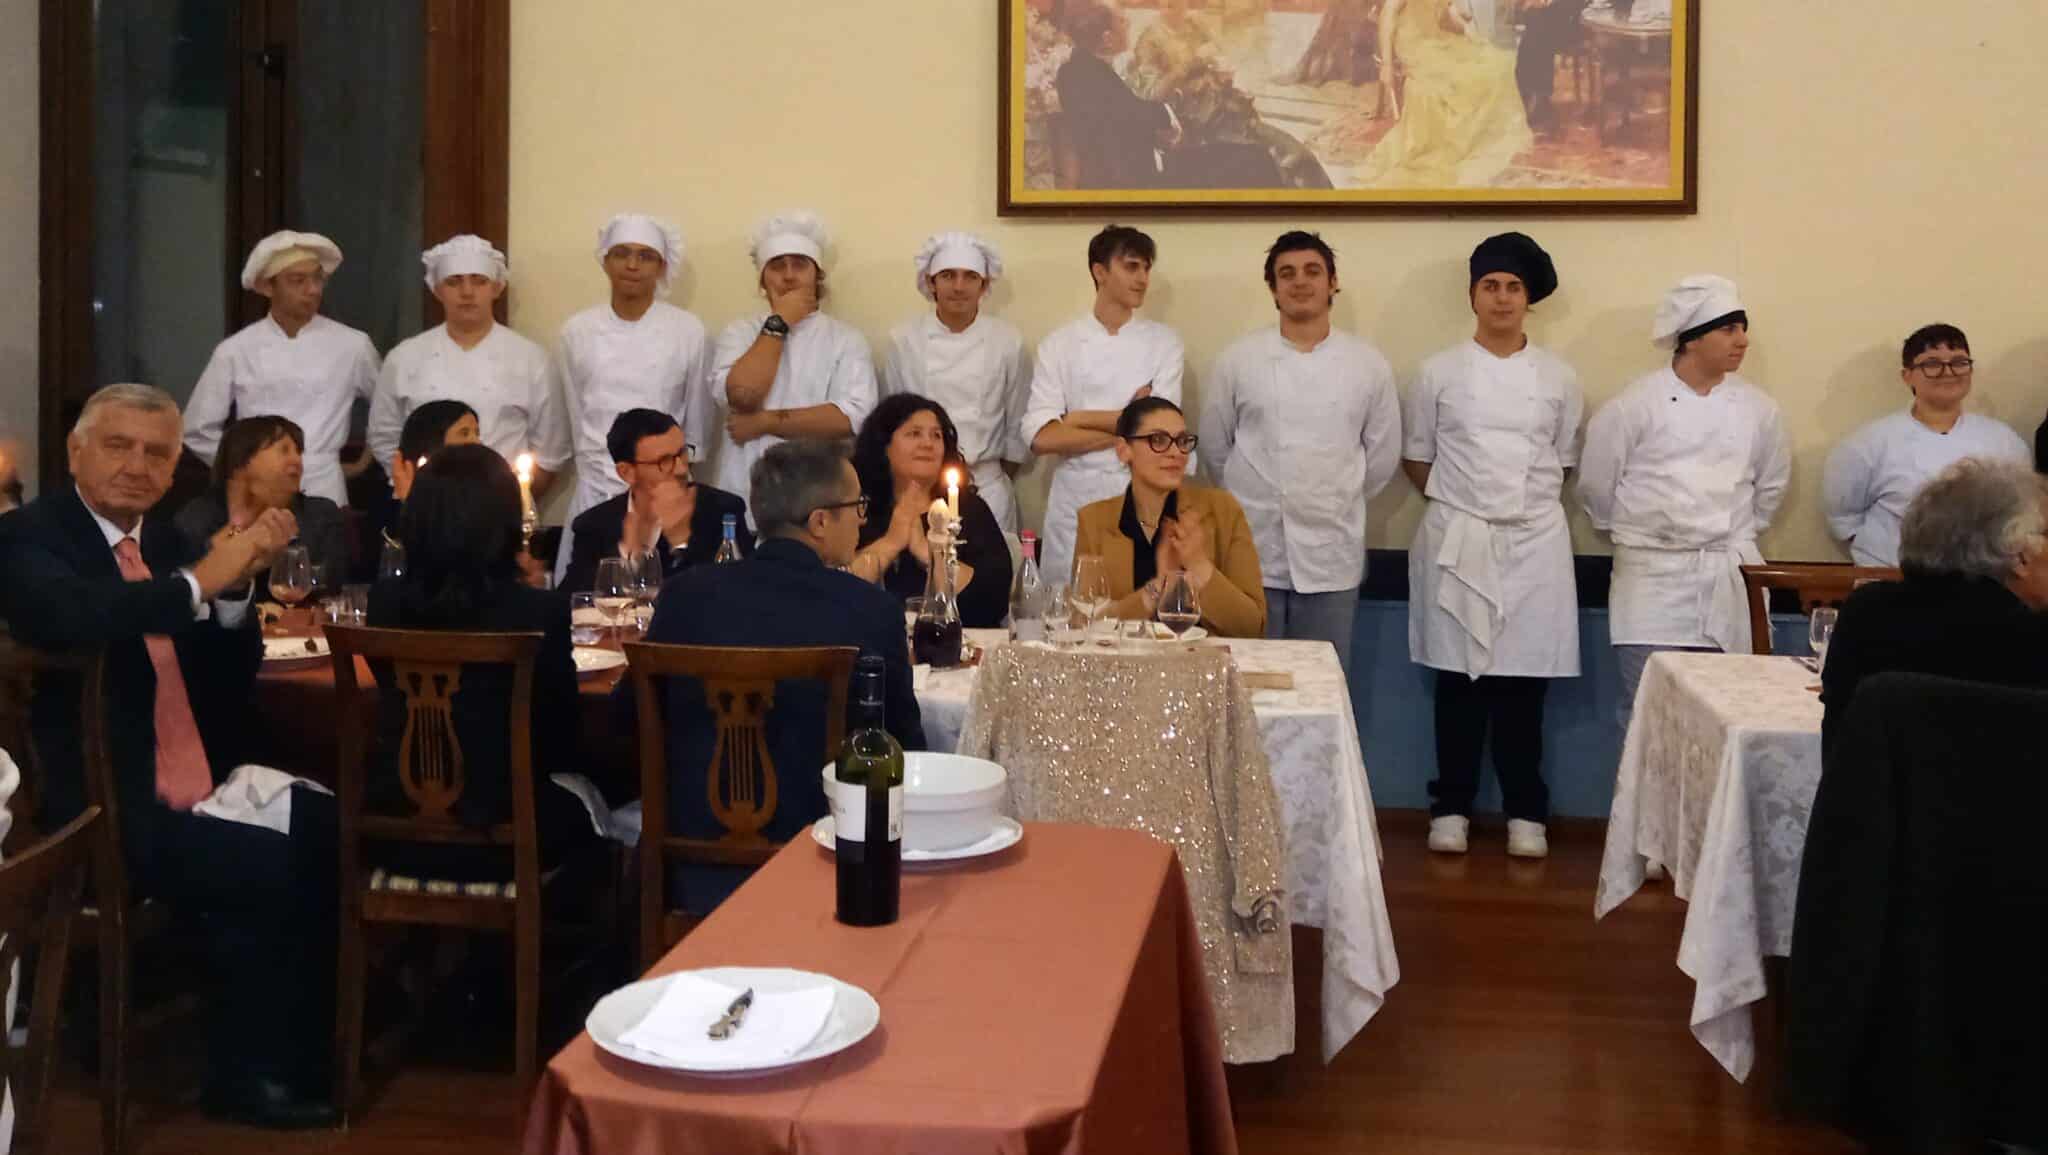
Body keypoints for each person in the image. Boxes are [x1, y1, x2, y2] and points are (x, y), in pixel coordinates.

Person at [0, 384, 338, 1127]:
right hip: (94, 808)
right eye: (118, 446)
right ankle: (247, 1076)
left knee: (328, 828)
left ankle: (306, 1053)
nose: (137, 466)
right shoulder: (31, 536)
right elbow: (76, 614)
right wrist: (198, 582)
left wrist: (233, 592)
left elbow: (224, 677)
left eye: (157, 453)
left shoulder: (164, 540)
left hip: (189, 775)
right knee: (267, 862)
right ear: (76, 451)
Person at [639, 439, 923, 914]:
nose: (862, 520)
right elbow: (904, 748)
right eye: (857, 507)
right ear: (819, 521)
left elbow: (634, 721)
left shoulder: (683, 596)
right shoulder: (869, 609)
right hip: (826, 859)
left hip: (690, 863)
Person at [1402, 233, 1582, 858]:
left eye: (1513, 287)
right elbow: (1417, 455)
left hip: (1534, 542)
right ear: (1472, 296)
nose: (1502, 298)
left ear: (1528, 299)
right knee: (1458, 681)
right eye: (1490, 286)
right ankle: (1450, 806)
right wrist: (1464, 507)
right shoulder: (1437, 371)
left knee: (1523, 685)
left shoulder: (1559, 377)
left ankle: (1526, 811)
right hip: (1458, 537)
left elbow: (1563, 461)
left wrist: (1518, 512)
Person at [365, 444, 600, 878]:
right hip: (509, 834)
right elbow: (561, 737)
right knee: (600, 813)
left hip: (397, 827)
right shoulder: (537, 611)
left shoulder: (383, 604)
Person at [1578, 275, 1792, 742]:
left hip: (1729, 576)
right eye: (1729, 329)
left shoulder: (1759, 410)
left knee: (1733, 717)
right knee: (1650, 719)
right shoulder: (1632, 406)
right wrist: (1648, 534)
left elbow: (1771, 486)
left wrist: (1731, 536)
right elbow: (1596, 487)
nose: (1743, 340)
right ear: (1692, 339)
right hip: (1651, 581)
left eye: (1743, 328)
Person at [1201, 230, 1399, 673]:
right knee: (1247, 682)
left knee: (1322, 680)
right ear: (1273, 288)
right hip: (1252, 547)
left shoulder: (1368, 364)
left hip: (1332, 549)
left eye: (1313, 271)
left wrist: (1332, 494)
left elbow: (1382, 457)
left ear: (1332, 283)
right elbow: (1215, 447)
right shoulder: (1238, 360)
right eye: (1286, 273)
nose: (1300, 281)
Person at [1820, 457, 2048, 757]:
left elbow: (1839, 750)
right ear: (2021, 556)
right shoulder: (2033, 637)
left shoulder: (1864, 614)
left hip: (1875, 788)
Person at [552, 214, 713, 584]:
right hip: (595, 487)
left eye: (645, 256)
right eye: (622, 253)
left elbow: (697, 425)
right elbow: (575, 413)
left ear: (661, 266)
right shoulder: (577, 331)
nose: (632, 265)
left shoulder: (688, 331)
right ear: (605, 260)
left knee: (665, 593)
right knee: (587, 594)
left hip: (666, 492)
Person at [1023, 224, 1186, 584]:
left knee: (1139, 600)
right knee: (1070, 603)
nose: (1142, 278)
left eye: (1146, 268)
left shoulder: (1164, 344)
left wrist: (1077, 418)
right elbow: (1041, 437)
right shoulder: (1060, 345)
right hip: (1075, 496)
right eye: (1131, 267)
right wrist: (1128, 428)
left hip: (1140, 493)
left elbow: (1161, 429)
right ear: (1100, 271)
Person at [184, 230, 381, 508]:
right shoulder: (236, 349)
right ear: (268, 287)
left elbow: (389, 409)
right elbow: (197, 428)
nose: (312, 290)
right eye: (298, 280)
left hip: (324, 487)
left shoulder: (353, 345)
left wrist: (364, 461)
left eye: (317, 279)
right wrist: (246, 465)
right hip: (256, 493)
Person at [367, 235, 570, 501]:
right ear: (437, 290)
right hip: (423, 505)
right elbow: (384, 437)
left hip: (503, 504)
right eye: (454, 281)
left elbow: (551, 451)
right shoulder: (404, 357)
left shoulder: (532, 359)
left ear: (496, 287)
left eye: (479, 280)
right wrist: (418, 493)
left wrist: (514, 500)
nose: (467, 292)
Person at [708, 210, 877, 521]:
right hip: (743, 495)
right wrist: (779, 322)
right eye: (777, 266)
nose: (788, 276)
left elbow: (847, 419)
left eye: (799, 264)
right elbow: (743, 395)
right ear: (763, 279)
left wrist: (764, 422)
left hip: (818, 501)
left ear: (817, 275)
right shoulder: (739, 333)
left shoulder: (846, 340)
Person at [1822, 324, 2030, 568]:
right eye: (1932, 363)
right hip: (1891, 576)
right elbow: (1843, 519)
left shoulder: (2004, 440)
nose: (1948, 372)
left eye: (1959, 362)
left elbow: (2021, 510)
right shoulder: (1866, 444)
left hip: (1982, 578)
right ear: (1907, 376)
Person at [1073, 397, 1266, 637]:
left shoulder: (1223, 510)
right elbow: (1084, 623)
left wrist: (1199, 566)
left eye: (1182, 441)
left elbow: (1252, 628)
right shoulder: (1094, 520)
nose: (1176, 452)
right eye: (1158, 440)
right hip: (1126, 658)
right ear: (1123, 450)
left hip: (1201, 657)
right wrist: (1156, 589)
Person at [879, 231, 1032, 532]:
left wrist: (986, 472)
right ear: (931, 282)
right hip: (919, 490)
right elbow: (891, 422)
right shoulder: (904, 340)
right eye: (948, 275)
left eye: (970, 276)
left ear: (984, 285)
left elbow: (1018, 425)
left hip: (986, 488)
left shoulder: (1008, 342)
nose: (959, 287)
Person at [848, 394, 1014, 629]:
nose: (928, 443)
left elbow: (992, 602)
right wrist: (891, 542)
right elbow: (833, 590)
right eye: (914, 433)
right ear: (884, 445)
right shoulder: (855, 508)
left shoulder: (969, 509)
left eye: (936, 435)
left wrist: (930, 553)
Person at [561, 408, 752, 595]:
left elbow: (736, 593)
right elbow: (572, 604)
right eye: (665, 461)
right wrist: (631, 560)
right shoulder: (593, 526)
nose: (681, 469)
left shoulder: (723, 511)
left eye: (682, 453)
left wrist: (680, 542)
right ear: (626, 472)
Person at [1359, 0, 1533, 187]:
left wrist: (1466, 30)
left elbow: (1447, 12)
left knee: (1494, 62)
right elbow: (1388, 14)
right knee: (1454, 75)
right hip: (1414, 41)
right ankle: (1447, 144)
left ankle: (1466, 140)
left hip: (1439, 37)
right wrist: (1386, 64)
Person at [172, 415, 352, 587]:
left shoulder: (321, 514)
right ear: (242, 461)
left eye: (299, 452)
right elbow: (187, 588)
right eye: (284, 450)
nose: (297, 460)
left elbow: (330, 585)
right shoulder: (197, 518)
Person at [1054, 0, 1180, 188]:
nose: (1128, 25)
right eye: (1121, 21)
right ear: (1107, 39)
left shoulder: (1075, 68)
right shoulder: (1092, 74)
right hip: (1121, 181)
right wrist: (1167, 114)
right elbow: (1131, 113)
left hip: (1109, 173)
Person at [356, 399, 480, 579]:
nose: (476, 441)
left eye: (477, 433)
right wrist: (412, 506)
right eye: (464, 433)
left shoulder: (482, 499)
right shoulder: (392, 511)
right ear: (433, 442)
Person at [1514, 0, 1588, 134]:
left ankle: (1535, 95)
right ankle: (1539, 96)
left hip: (1576, 21)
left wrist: (1546, 3)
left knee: (1537, 26)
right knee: (1537, 26)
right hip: (1551, 22)